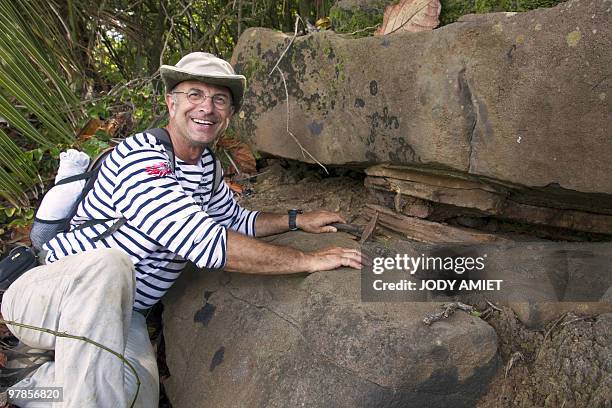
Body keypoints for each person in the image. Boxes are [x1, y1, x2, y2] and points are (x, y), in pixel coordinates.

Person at [1, 52, 362, 407]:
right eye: (195, 95)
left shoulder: (206, 167)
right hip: (54, 294)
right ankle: (45, 363)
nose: (207, 107)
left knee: (134, 397)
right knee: (109, 265)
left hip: (123, 316)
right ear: (171, 103)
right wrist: (308, 261)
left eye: (219, 100)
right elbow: (205, 243)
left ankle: (28, 385)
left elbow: (234, 221)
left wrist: (297, 219)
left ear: (229, 115)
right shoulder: (140, 158)